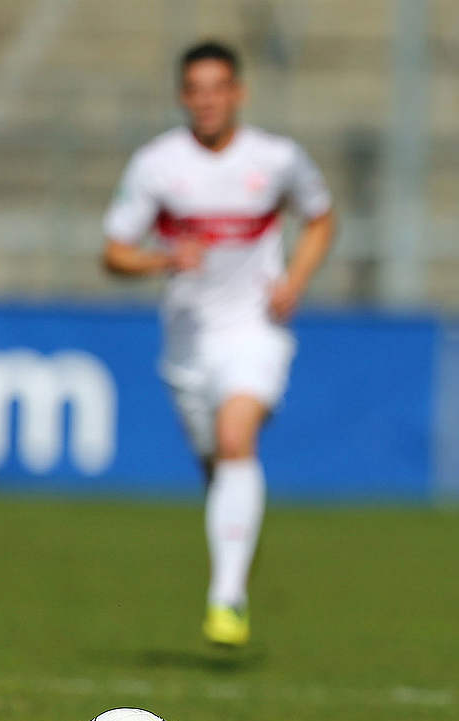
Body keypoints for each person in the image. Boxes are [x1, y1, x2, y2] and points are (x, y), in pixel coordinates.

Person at [102, 41, 336, 646]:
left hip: (256, 330)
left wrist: (296, 279)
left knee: (237, 438)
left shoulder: (276, 158)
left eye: (217, 87)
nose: (207, 100)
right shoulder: (157, 164)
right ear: (184, 96)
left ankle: (226, 597)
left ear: (237, 93)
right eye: (195, 89)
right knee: (218, 465)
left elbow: (320, 216)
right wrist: (162, 258)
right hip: (187, 344)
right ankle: (235, 550)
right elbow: (113, 252)